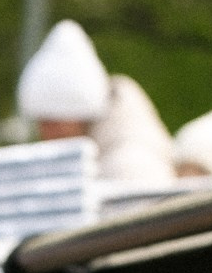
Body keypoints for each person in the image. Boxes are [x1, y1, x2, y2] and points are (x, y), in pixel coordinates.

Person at [17, 19, 176, 185]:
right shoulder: (94, 159)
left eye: (53, 122)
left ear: (81, 115)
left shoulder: (130, 166)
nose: (47, 135)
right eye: (42, 123)